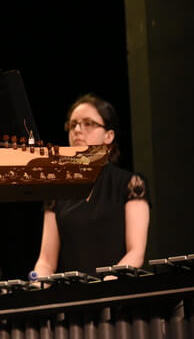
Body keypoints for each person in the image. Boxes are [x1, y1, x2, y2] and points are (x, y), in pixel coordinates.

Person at [32, 93, 150, 277]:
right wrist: (36, 283)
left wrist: (108, 283)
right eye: (73, 125)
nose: (77, 130)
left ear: (109, 136)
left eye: (88, 124)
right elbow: (46, 261)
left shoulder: (130, 184)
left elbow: (136, 253)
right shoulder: (56, 190)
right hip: (75, 298)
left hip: (117, 295)